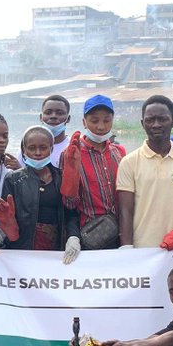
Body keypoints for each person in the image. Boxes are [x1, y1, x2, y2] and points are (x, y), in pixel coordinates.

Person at [0, 125, 80, 260]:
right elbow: (7, 219)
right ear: (24, 150)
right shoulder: (13, 179)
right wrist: (8, 223)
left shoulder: (61, 177)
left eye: (43, 148)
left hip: (56, 250)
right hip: (22, 248)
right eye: (32, 148)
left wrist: (73, 237)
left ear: (51, 149)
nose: (37, 153)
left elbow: (71, 214)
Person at [116, 95, 173, 249]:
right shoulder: (129, 162)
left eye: (162, 119)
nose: (156, 124)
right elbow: (125, 211)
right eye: (150, 120)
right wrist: (126, 249)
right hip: (142, 250)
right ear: (143, 124)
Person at [60, 95, 126, 250]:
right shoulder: (71, 153)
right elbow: (69, 204)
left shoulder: (119, 152)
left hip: (120, 233)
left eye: (106, 120)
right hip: (91, 235)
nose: (101, 127)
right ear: (84, 122)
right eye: (94, 121)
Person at [39, 95, 72, 167]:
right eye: (48, 113)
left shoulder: (74, 147)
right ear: (41, 118)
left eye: (60, 113)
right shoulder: (29, 148)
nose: (53, 116)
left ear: (68, 118)